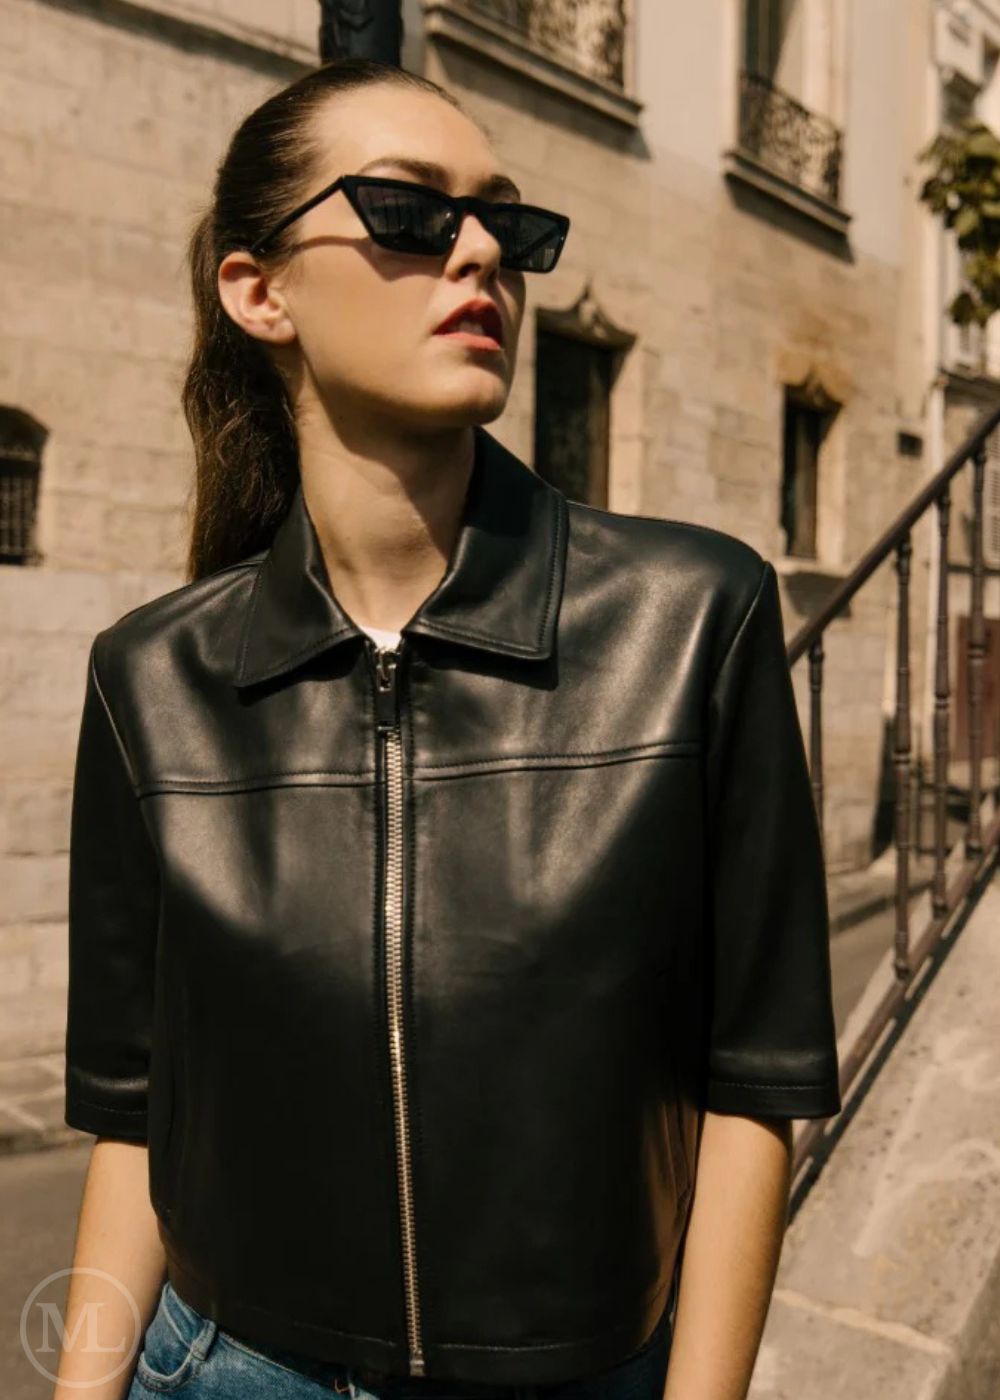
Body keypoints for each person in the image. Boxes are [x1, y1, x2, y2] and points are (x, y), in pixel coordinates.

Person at [54, 56, 841, 1400]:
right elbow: (135, 1121)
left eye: (508, 224)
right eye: (410, 214)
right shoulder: (153, 678)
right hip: (225, 1372)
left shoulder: (694, 621)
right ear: (261, 290)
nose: (482, 251)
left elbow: (754, 1088)